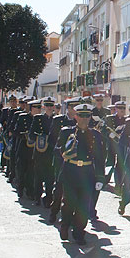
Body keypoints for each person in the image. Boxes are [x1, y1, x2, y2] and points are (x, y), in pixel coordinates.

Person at [55, 103, 106, 245]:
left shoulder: (95, 135)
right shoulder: (66, 132)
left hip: (87, 173)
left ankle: (79, 233)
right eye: (81, 116)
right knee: (69, 203)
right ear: (75, 116)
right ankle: (65, 224)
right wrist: (65, 151)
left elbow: (100, 157)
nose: (84, 119)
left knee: (83, 205)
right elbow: (57, 150)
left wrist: (100, 177)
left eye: (87, 116)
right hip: (70, 172)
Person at [48, 97, 80, 224]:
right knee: (59, 190)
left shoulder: (82, 123)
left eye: (76, 108)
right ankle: (53, 212)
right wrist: (62, 152)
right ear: (68, 108)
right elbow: (52, 141)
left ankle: (70, 217)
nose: (74, 110)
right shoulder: (58, 121)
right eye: (72, 107)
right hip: (61, 161)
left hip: (77, 165)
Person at [29, 96, 57, 207]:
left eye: (51, 106)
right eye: (47, 106)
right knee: (39, 177)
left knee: (50, 179)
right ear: (44, 107)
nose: (49, 108)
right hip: (40, 153)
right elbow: (31, 135)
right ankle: (37, 197)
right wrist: (41, 137)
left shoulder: (57, 119)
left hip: (51, 153)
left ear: (53, 107)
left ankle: (48, 199)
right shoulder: (37, 119)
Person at [14, 98, 39, 199]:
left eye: (39, 107)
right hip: (24, 148)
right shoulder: (22, 117)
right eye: (36, 107)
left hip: (34, 149)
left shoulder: (39, 120)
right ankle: (20, 188)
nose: (38, 109)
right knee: (21, 170)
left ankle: (30, 191)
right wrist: (23, 135)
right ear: (31, 108)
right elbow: (16, 131)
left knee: (31, 172)